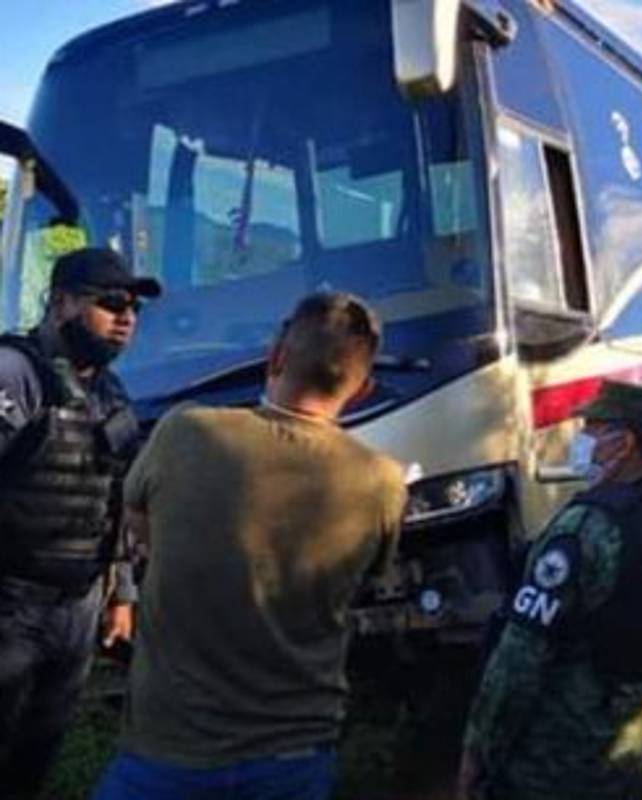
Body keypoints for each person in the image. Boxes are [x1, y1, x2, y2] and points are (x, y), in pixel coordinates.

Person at [92, 293, 407, 800]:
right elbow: (365, 580)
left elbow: (142, 533)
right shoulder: (383, 482)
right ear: (364, 389)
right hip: (295, 756)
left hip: (169, 751)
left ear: (275, 357)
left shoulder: (184, 433)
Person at [460, 381, 642, 800]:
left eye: (592, 429)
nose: (582, 440)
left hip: (546, 761)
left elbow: (519, 657)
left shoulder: (585, 526)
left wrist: (478, 750)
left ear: (624, 443)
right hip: (622, 755)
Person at [0, 248, 160, 797]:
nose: (127, 317)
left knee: (31, 766)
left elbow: (115, 501)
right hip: (11, 602)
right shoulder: (16, 373)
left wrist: (121, 594)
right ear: (61, 303)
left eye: (134, 307)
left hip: (77, 608)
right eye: (111, 303)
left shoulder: (111, 396)